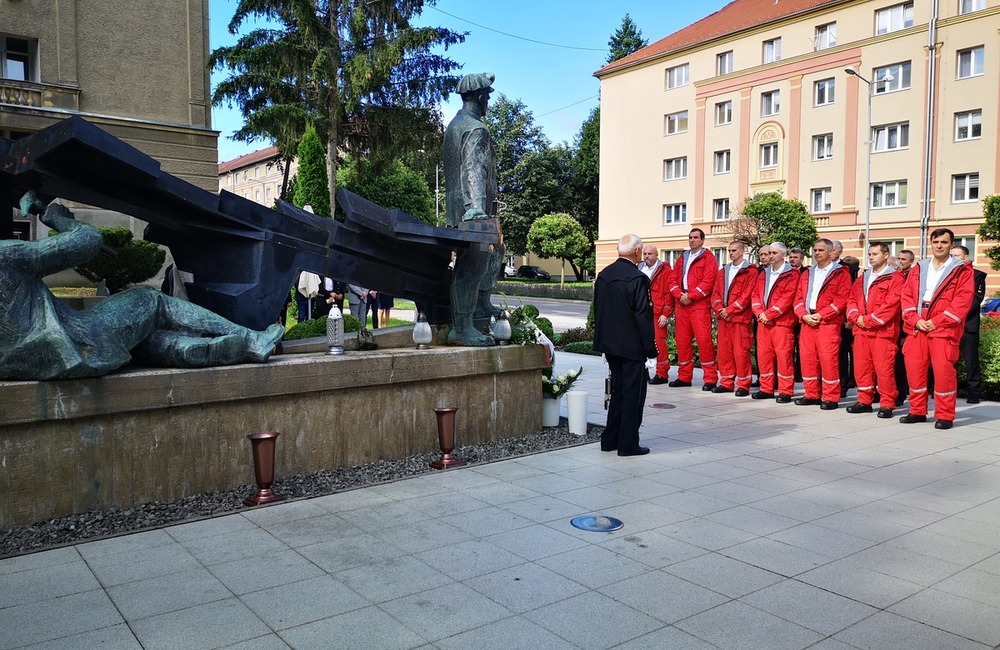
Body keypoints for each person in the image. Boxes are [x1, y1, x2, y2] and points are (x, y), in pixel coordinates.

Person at [1, 193, 283, 381]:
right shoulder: (7, 254)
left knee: (135, 335)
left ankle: (188, 347)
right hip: (68, 347)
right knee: (150, 302)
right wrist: (59, 220)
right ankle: (250, 339)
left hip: (16, 365)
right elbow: (86, 241)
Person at [442, 72, 505, 346]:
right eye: (488, 97)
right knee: (471, 268)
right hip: (472, 213)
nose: (488, 101)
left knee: (496, 252)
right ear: (481, 97)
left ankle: (480, 305)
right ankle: (464, 326)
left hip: (461, 210)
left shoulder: (455, 124)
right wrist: (476, 207)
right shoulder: (476, 128)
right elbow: (473, 168)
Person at [900, 229, 974, 429]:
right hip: (918, 326)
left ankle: (945, 415)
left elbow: (963, 301)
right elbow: (906, 296)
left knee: (943, 373)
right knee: (915, 370)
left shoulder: (962, 269)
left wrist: (938, 321)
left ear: (951, 244)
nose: (939, 245)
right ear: (930, 243)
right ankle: (917, 411)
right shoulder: (919, 268)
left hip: (943, 328)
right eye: (936, 242)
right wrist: (914, 319)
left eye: (944, 242)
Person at [593, 233, 658, 456]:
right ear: (638, 251)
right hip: (631, 347)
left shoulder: (604, 275)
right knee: (633, 395)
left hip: (610, 345)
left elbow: (599, 310)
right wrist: (650, 349)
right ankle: (627, 444)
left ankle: (609, 439)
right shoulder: (637, 278)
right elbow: (643, 316)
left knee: (618, 392)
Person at [845, 242, 904, 418]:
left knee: (884, 369)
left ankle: (887, 403)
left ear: (886, 255)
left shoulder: (896, 278)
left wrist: (868, 320)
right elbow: (852, 299)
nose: (871, 257)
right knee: (862, 368)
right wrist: (856, 318)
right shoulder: (863, 277)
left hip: (883, 332)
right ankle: (864, 400)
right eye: (869, 254)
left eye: (875, 254)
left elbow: (891, 305)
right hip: (862, 331)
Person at [793, 239, 852, 409]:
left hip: (828, 324)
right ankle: (811, 394)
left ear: (830, 252)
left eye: (821, 250)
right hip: (807, 322)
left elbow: (842, 299)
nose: (817, 253)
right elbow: (798, 298)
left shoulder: (841, 273)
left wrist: (822, 314)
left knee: (828, 361)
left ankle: (830, 397)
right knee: (807, 359)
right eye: (815, 250)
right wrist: (803, 315)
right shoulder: (807, 273)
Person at [668, 228, 719, 390]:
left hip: (699, 305)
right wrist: (679, 294)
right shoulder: (682, 257)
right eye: (690, 237)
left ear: (703, 240)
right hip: (682, 304)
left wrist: (691, 296)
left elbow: (709, 281)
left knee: (704, 342)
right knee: (682, 342)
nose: (692, 240)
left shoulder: (708, 258)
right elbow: (672, 279)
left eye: (696, 237)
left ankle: (710, 378)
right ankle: (684, 377)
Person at [751, 242, 799, 402]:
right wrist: (760, 313)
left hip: (781, 323)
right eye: (769, 253)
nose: (770, 256)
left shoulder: (792, 274)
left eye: (774, 253)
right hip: (763, 322)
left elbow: (788, 298)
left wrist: (769, 314)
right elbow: (755, 295)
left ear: (783, 255)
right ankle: (766, 388)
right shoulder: (763, 274)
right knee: (764, 356)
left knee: (784, 357)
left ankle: (786, 390)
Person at [711, 241, 758, 396]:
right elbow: (716, 293)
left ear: (742, 251)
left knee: (741, 352)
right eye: (729, 250)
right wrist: (720, 310)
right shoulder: (723, 270)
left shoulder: (750, 271)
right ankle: (726, 382)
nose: (731, 253)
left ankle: (744, 384)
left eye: (734, 250)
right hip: (724, 319)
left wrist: (730, 310)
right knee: (724, 352)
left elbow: (747, 295)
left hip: (740, 319)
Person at [951, 245, 987, 404]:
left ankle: (974, 392)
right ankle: (948, 389)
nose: (953, 258)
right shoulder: (947, 275)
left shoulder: (977, 276)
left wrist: (952, 314)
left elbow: (974, 302)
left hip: (967, 325)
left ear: (966, 257)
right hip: (948, 325)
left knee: (971, 361)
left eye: (957, 255)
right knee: (947, 360)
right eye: (951, 255)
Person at [639, 244, 673, 385]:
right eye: (645, 253)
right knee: (640, 344)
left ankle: (662, 374)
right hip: (641, 313)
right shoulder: (639, 268)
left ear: (656, 254)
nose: (647, 256)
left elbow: (668, 294)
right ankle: (643, 371)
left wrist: (665, 314)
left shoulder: (664, 270)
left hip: (657, 313)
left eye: (650, 254)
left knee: (659, 344)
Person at [894, 249, 916, 401]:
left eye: (904, 259)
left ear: (911, 261)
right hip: (890, 325)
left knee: (900, 365)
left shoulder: (913, 276)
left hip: (905, 326)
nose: (901, 261)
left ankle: (901, 393)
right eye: (899, 258)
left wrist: (904, 333)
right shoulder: (895, 275)